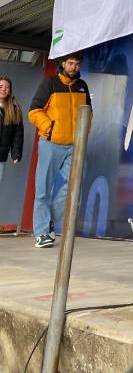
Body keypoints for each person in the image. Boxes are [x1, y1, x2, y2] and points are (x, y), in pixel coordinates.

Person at [28, 52, 91, 248]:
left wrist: (83, 134)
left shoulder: (82, 86)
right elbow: (34, 111)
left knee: (75, 187)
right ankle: (41, 233)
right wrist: (50, 128)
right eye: (71, 63)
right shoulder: (50, 84)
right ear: (62, 63)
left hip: (75, 146)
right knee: (43, 190)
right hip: (51, 144)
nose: (74, 67)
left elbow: (89, 112)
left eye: (77, 64)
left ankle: (49, 223)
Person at [0, 77, 24, 190]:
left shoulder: (14, 109)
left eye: (7, 87)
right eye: (1, 87)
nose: (4, 89)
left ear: (10, 91)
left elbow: (17, 135)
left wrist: (16, 154)